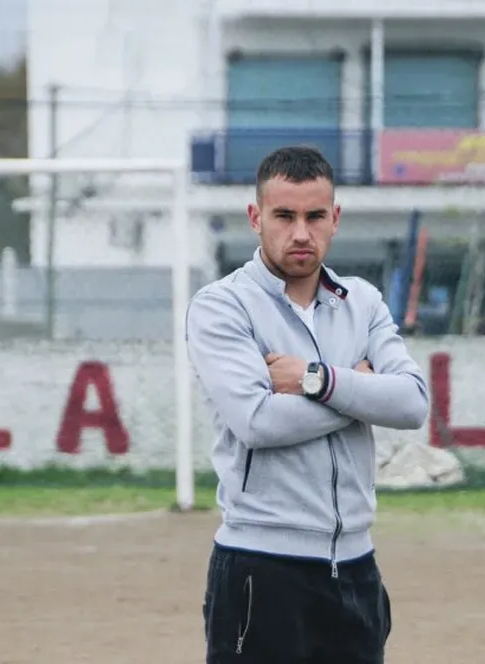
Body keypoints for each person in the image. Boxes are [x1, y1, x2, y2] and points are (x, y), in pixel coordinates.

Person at [185, 145, 430, 664]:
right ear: (256, 218)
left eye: (315, 216)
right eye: (284, 216)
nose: (301, 232)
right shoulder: (221, 306)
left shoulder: (362, 301)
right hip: (260, 569)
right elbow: (257, 421)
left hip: (357, 570)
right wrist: (359, 393)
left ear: (335, 218)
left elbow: (411, 403)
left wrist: (316, 380)